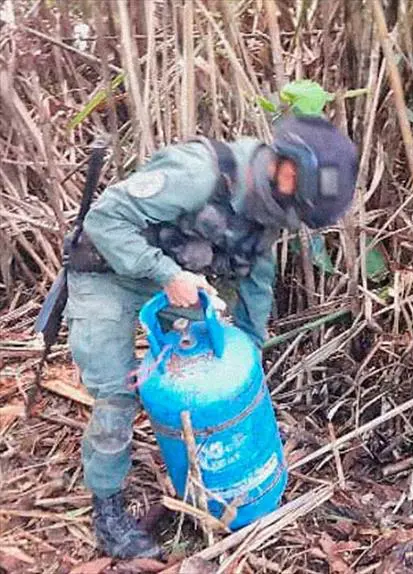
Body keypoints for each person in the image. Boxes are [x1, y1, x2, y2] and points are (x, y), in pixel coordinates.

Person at [65, 114, 358, 558]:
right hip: (107, 274)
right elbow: (105, 221)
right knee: (117, 394)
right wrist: (166, 273)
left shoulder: (270, 207)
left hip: (176, 285)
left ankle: (197, 458)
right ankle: (107, 508)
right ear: (286, 171)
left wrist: (248, 354)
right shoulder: (199, 174)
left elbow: (257, 279)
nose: (294, 220)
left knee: (204, 369)